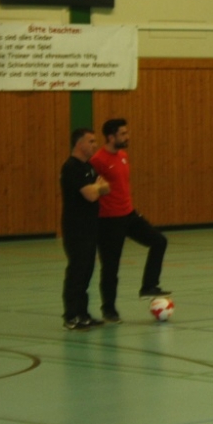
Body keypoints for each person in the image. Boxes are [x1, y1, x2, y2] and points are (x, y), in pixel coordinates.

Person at [90, 119, 170, 324]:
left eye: (127, 133)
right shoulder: (98, 160)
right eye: (123, 134)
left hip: (128, 214)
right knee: (111, 267)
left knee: (159, 241)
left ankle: (148, 286)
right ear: (111, 137)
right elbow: (92, 189)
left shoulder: (123, 156)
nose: (127, 137)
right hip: (108, 221)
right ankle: (109, 310)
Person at [60, 128, 111, 330]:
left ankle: (83, 313)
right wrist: (96, 188)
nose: (95, 145)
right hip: (76, 228)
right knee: (77, 271)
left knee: (87, 271)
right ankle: (71, 316)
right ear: (79, 144)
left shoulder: (89, 167)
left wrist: (96, 188)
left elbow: (106, 187)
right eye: (91, 141)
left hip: (90, 227)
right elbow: (91, 195)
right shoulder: (71, 167)